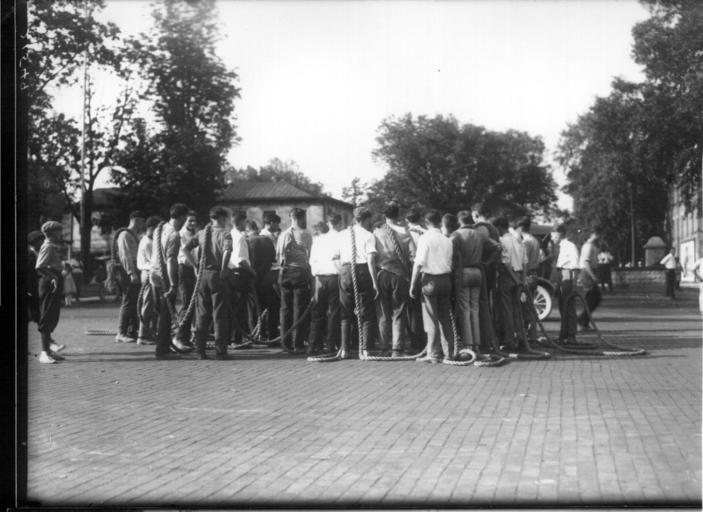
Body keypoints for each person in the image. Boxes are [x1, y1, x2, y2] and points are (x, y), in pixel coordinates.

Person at [184, 206, 233, 359]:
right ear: (222, 218)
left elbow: (185, 249)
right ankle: (220, 349)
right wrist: (224, 269)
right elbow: (227, 251)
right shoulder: (225, 234)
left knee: (202, 314)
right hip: (217, 275)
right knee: (219, 314)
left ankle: (200, 349)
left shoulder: (201, 233)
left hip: (202, 275)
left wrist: (195, 265)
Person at [410, 210, 455, 364]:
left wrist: (412, 283)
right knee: (445, 317)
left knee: (431, 319)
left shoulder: (425, 239)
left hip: (430, 279)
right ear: (439, 222)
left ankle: (433, 353)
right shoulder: (447, 240)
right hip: (446, 279)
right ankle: (449, 352)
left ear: (426, 222)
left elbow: (419, 263)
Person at [335, 206, 379, 359]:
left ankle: (345, 349)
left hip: (345, 270)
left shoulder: (342, 234)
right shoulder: (368, 235)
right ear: (366, 219)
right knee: (366, 311)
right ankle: (366, 349)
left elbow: (335, 256)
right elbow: (371, 260)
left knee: (345, 313)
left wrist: (342, 271)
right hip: (362, 271)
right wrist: (375, 283)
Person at [150, 203, 192, 359]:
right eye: (185, 218)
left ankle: (165, 345)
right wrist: (173, 284)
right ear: (182, 217)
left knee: (162, 313)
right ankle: (162, 350)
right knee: (166, 314)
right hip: (164, 278)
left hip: (154, 274)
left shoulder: (159, 229)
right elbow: (171, 260)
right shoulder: (174, 235)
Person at [373, 202, 416, 357]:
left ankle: (383, 347)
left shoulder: (376, 232)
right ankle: (397, 349)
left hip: (382, 274)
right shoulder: (405, 232)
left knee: (383, 313)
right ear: (398, 215)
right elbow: (413, 257)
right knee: (399, 312)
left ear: (384, 215)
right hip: (400, 275)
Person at [276, 208, 313, 353]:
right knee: (299, 308)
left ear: (290, 217)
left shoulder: (283, 235)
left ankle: (285, 342)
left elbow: (278, 255)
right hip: (300, 272)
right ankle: (298, 343)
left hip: (285, 272)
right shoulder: (305, 235)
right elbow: (310, 256)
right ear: (302, 218)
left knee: (285, 308)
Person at [451, 211, 484, 357]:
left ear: (459, 221)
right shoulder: (479, 234)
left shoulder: (456, 235)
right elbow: (496, 247)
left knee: (465, 309)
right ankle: (477, 344)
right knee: (475, 309)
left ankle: (468, 344)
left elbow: (451, 254)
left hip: (463, 271)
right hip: (477, 272)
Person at [308, 215, 343, 355]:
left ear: (328, 223)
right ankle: (331, 345)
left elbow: (311, 261)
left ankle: (313, 345)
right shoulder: (340, 238)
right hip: (334, 277)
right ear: (339, 223)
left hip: (319, 278)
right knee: (334, 313)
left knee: (317, 313)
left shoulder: (318, 240)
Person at [35, 221, 67, 363]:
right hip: (49, 283)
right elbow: (40, 266)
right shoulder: (47, 246)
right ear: (52, 232)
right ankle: (44, 353)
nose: (61, 233)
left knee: (52, 316)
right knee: (47, 315)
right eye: (59, 230)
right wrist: (53, 276)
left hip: (53, 281)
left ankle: (48, 351)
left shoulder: (52, 246)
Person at [494, 216, 526, 350]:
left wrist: (515, 279)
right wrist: (521, 281)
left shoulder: (502, 241)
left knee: (507, 311)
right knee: (517, 310)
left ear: (499, 227)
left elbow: (506, 264)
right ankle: (522, 339)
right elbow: (525, 263)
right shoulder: (519, 240)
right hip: (519, 274)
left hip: (508, 276)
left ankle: (509, 341)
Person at [115, 210, 146, 343]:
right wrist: (131, 272)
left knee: (135, 301)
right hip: (128, 271)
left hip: (135, 268)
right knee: (128, 301)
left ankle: (131, 331)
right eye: (142, 222)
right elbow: (125, 255)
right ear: (135, 220)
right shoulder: (125, 235)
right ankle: (121, 333)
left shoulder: (135, 235)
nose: (142, 225)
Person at [246, 220, 277, 339]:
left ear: (248, 230)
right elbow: (273, 259)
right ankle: (271, 334)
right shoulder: (267, 240)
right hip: (267, 279)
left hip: (253, 279)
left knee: (254, 309)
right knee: (269, 307)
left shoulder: (248, 241)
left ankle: (257, 334)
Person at [229, 211, 255, 346]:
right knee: (240, 307)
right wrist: (252, 271)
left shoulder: (230, 234)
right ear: (240, 222)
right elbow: (240, 260)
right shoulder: (239, 237)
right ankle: (236, 338)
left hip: (232, 274)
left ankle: (234, 336)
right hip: (240, 274)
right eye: (245, 221)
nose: (246, 224)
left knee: (235, 306)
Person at [174, 211, 199, 347]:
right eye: (190, 220)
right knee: (186, 303)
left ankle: (188, 336)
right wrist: (195, 265)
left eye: (194, 221)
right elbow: (184, 251)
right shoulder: (181, 234)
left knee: (192, 303)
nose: (193, 223)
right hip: (185, 269)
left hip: (192, 270)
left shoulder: (194, 234)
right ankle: (180, 337)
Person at [136, 215, 161, 345]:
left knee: (153, 304)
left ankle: (150, 331)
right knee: (148, 304)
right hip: (149, 274)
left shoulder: (149, 240)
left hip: (151, 274)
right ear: (151, 228)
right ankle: (142, 335)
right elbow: (153, 262)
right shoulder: (148, 243)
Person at [553, 224, 580, 343]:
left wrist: (574, 285)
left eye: (553, 234)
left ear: (559, 234)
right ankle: (564, 334)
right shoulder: (559, 247)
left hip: (568, 277)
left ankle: (571, 336)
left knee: (569, 307)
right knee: (562, 308)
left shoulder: (570, 246)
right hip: (562, 277)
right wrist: (557, 285)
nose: (552, 237)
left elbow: (575, 267)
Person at [404, 208, 426, 352]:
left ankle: (415, 342)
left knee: (412, 309)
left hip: (411, 270)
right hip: (427, 271)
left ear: (407, 220)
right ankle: (426, 340)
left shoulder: (405, 234)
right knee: (424, 307)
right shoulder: (426, 232)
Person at [519, 216, 541, 342]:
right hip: (534, 274)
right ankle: (532, 335)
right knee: (530, 307)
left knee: (526, 308)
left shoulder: (526, 242)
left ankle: (529, 336)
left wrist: (522, 280)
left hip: (527, 276)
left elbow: (525, 263)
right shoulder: (535, 240)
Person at [260, 213, 282, 339]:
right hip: (270, 275)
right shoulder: (266, 237)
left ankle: (264, 333)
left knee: (266, 306)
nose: (278, 227)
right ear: (272, 223)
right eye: (277, 224)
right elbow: (274, 258)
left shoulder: (265, 236)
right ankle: (271, 333)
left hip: (266, 275)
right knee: (273, 305)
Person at [577, 229, 602, 330]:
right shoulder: (588, 246)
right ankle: (582, 321)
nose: (599, 236)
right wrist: (593, 276)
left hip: (590, 272)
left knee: (594, 298)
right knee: (593, 298)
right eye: (598, 234)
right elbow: (586, 262)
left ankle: (584, 321)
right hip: (587, 273)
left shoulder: (593, 246)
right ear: (593, 234)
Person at [27, 230, 45, 325]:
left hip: (36, 284)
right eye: (41, 240)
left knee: (36, 308)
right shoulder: (30, 254)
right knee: (34, 307)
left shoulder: (36, 253)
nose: (43, 242)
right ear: (35, 241)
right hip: (31, 285)